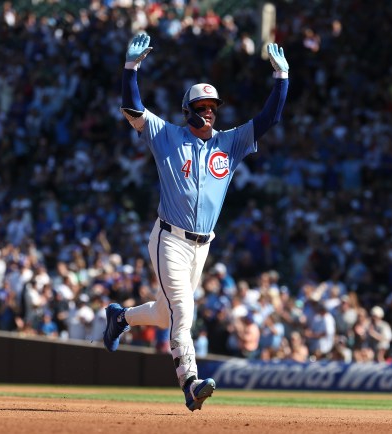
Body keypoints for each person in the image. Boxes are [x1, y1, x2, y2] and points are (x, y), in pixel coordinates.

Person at [103, 32, 289, 412]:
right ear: (187, 109)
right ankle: (190, 383)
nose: (209, 112)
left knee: (164, 311)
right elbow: (132, 109)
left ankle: (120, 317)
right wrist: (130, 69)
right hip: (169, 237)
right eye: (202, 106)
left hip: (203, 244)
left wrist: (281, 80)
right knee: (182, 314)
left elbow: (270, 118)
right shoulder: (167, 135)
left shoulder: (229, 143)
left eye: (213, 107)